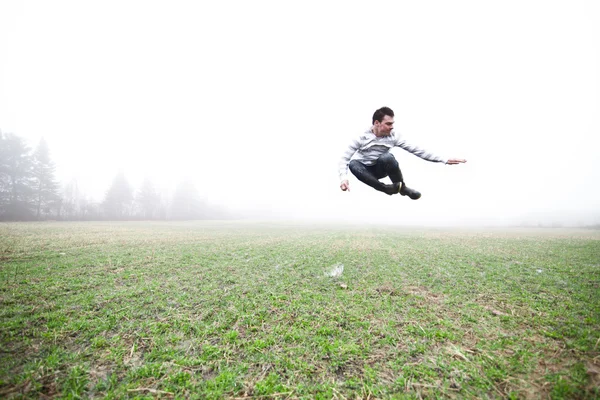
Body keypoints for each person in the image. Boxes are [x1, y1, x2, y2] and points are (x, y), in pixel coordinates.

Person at [339, 106, 466, 199]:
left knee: (387, 157)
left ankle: (402, 188)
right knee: (353, 163)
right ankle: (386, 188)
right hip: (365, 171)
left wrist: (443, 159)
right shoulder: (361, 137)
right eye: (388, 124)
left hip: (380, 168)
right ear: (377, 123)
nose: (392, 127)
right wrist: (343, 179)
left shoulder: (394, 137)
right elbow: (344, 159)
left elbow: (418, 150)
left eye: (392, 123)